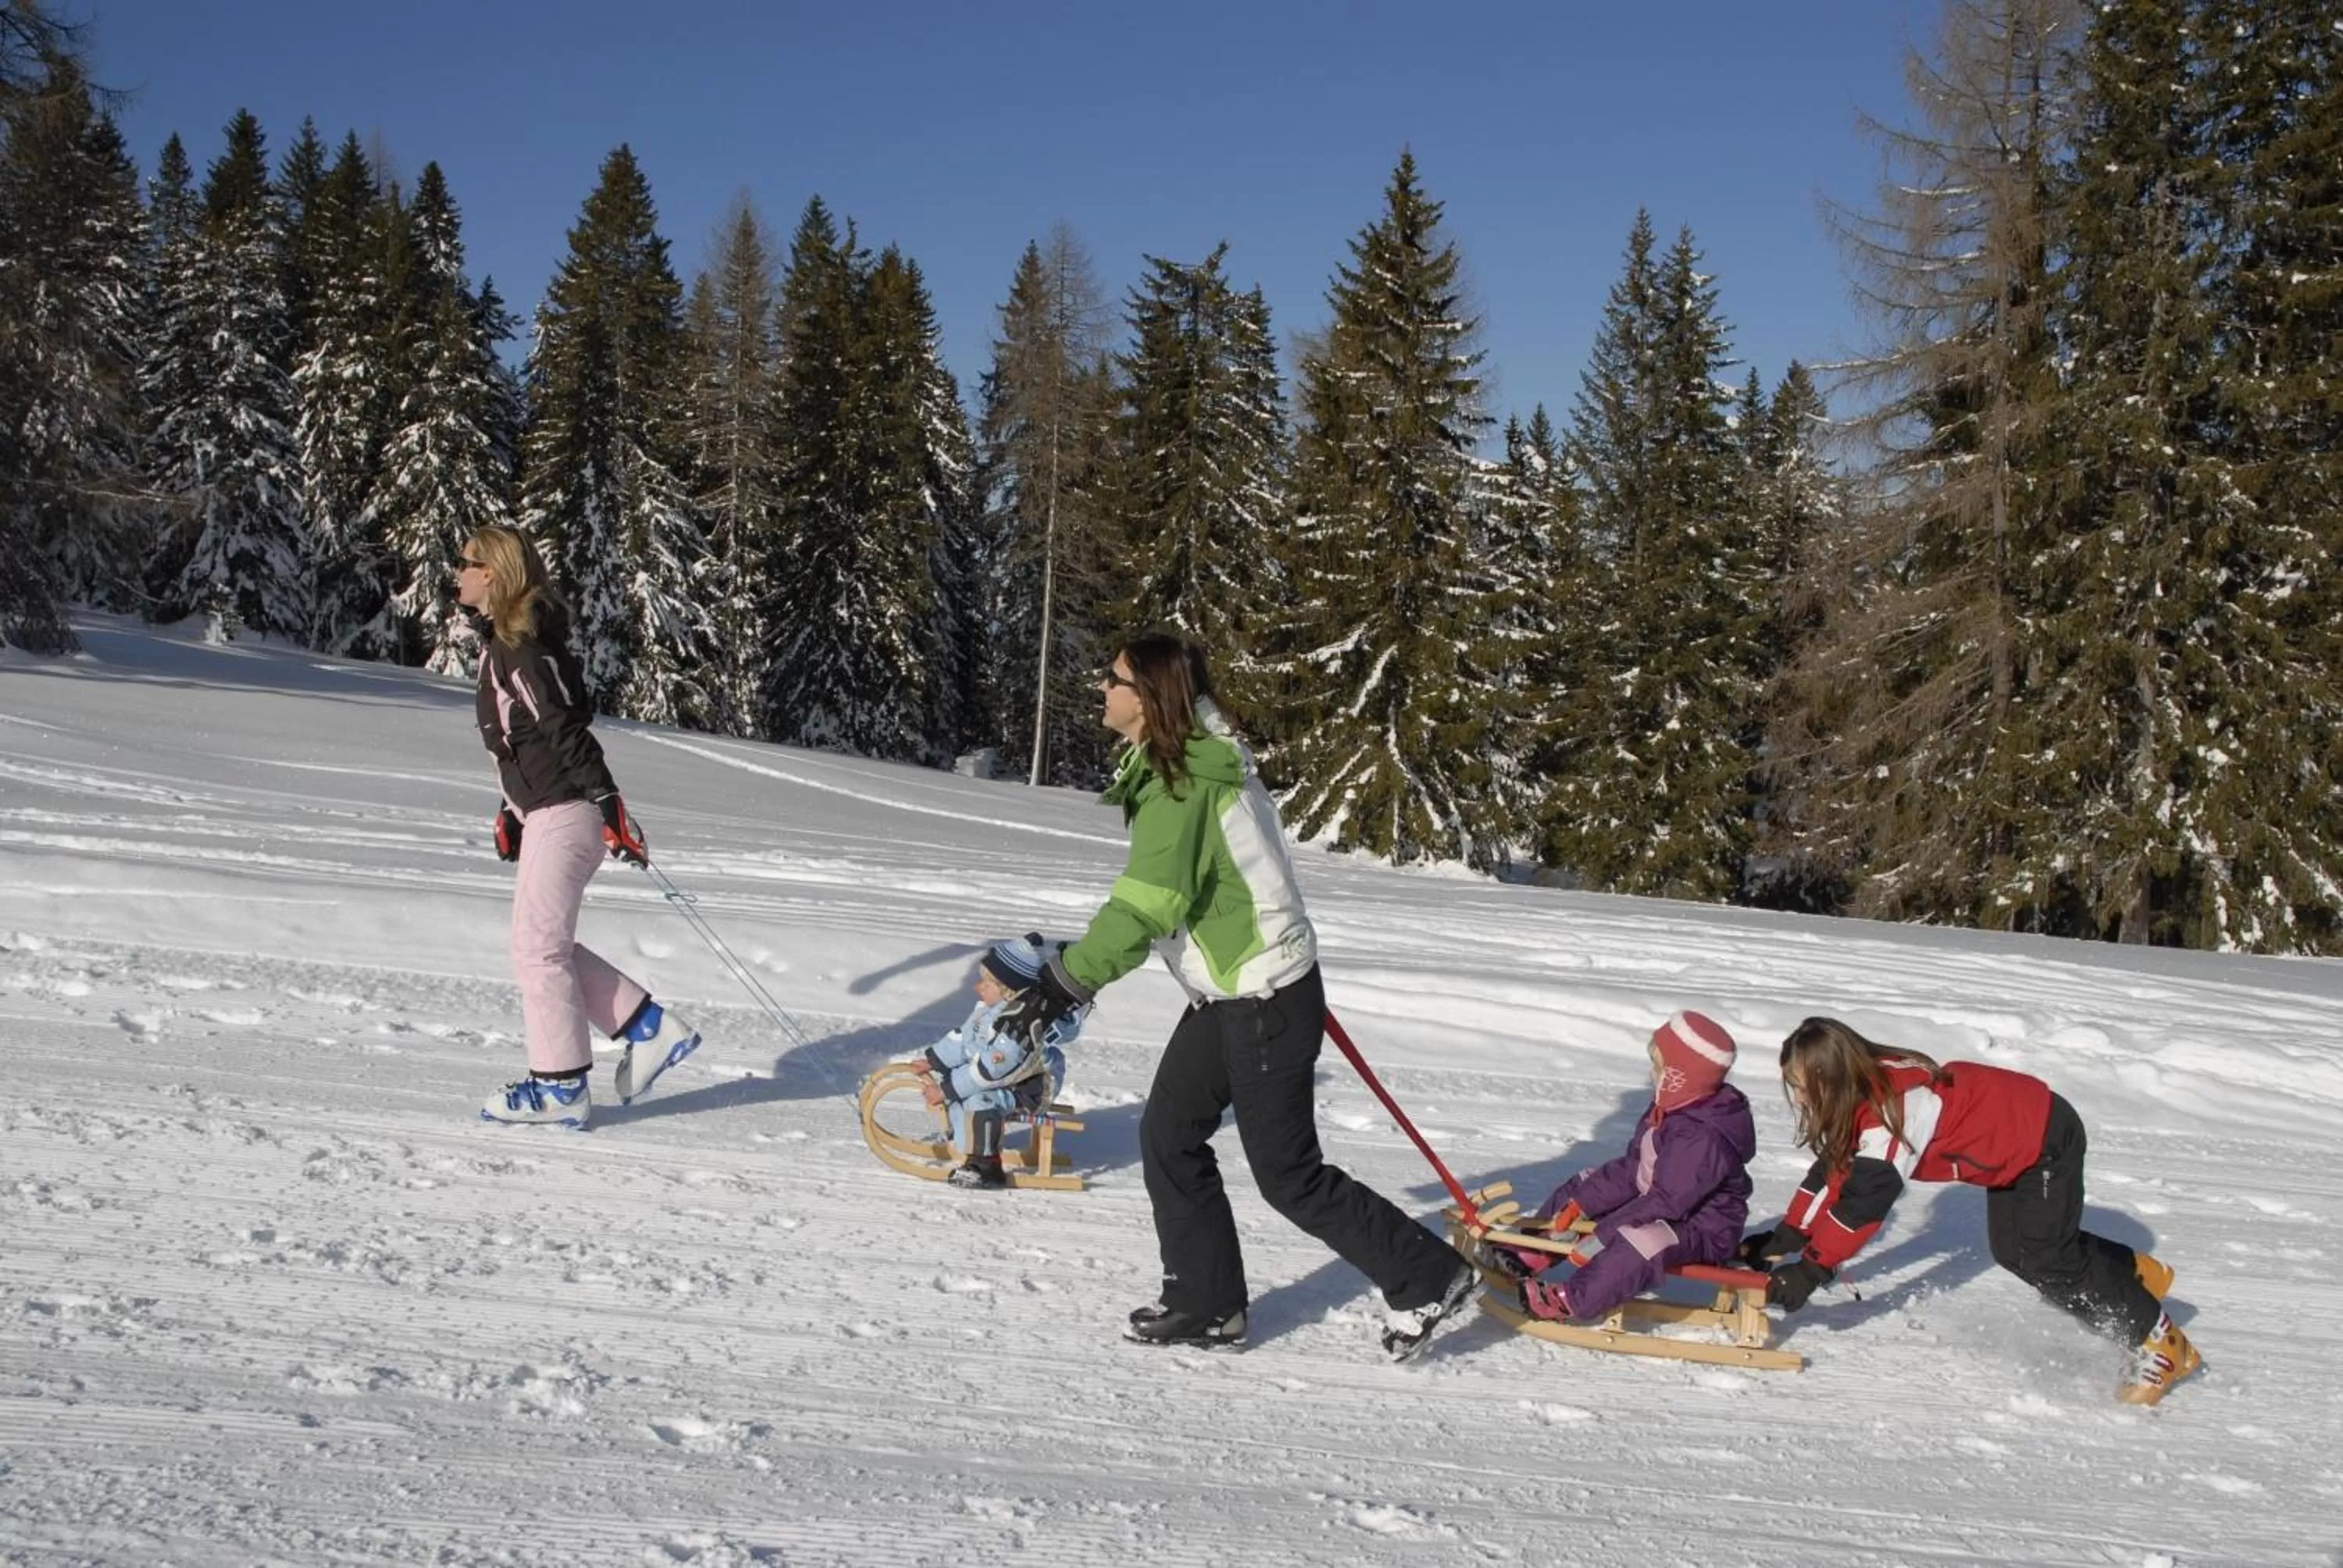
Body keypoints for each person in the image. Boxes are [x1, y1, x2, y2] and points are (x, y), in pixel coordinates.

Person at [993, 633, 1475, 1360]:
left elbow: (1143, 909)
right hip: (1236, 994)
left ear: (1149, 698)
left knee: (1289, 1175)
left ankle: (1428, 1275)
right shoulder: (1184, 766)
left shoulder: (1185, 784)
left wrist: (1064, 982)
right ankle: (1207, 1305)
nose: (1102, 688)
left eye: (1113, 679)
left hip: (1262, 999)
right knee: (1169, 1135)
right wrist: (1072, 973)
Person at [1742, 1016, 2199, 1406]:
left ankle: (2163, 1344)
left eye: (1803, 1088)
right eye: (1793, 1087)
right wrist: (1790, 1233)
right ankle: (2133, 1275)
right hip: (2012, 1147)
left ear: (1833, 1079)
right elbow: (1835, 1172)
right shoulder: (1861, 1094)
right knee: (2015, 1252)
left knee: (2046, 1258)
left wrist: (1813, 1270)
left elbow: (1862, 1207)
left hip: (2044, 1138)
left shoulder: (1895, 1115)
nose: (1799, 1099)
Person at [458, 524, 701, 1129]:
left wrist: (607, 799)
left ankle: (560, 1087)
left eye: (464, 563)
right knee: (545, 946)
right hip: (550, 811)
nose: (455, 575)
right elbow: (526, 739)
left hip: (566, 813)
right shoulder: (507, 643)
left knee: (537, 951)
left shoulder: (519, 646)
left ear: (491, 572)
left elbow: (564, 727)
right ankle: (647, 1028)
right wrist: (512, 809)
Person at [1489, 1011, 1756, 1324]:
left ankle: (1570, 1300)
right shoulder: (1670, 1108)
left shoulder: (1702, 1137)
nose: (1652, 1074)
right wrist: (1581, 1204)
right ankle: (1534, 1250)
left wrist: (1603, 1235)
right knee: (1587, 1184)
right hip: (1657, 1203)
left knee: (1642, 1241)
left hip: (1702, 1229)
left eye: (1659, 1067)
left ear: (1679, 1076)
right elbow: (1634, 1169)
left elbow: (1669, 1202)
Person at [911, 933, 1088, 1188]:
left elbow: (992, 1069)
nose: (978, 987)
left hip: (1029, 1088)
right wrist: (934, 1060)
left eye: (988, 983)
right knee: (960, 1084)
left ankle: (986, 1165)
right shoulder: (986, 1012)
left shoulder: (1018, 1027)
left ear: (1009, 991)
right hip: (1003, 1079)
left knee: (978, 1097)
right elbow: (963, 1039)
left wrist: (946, 1089)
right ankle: (965, 1139)